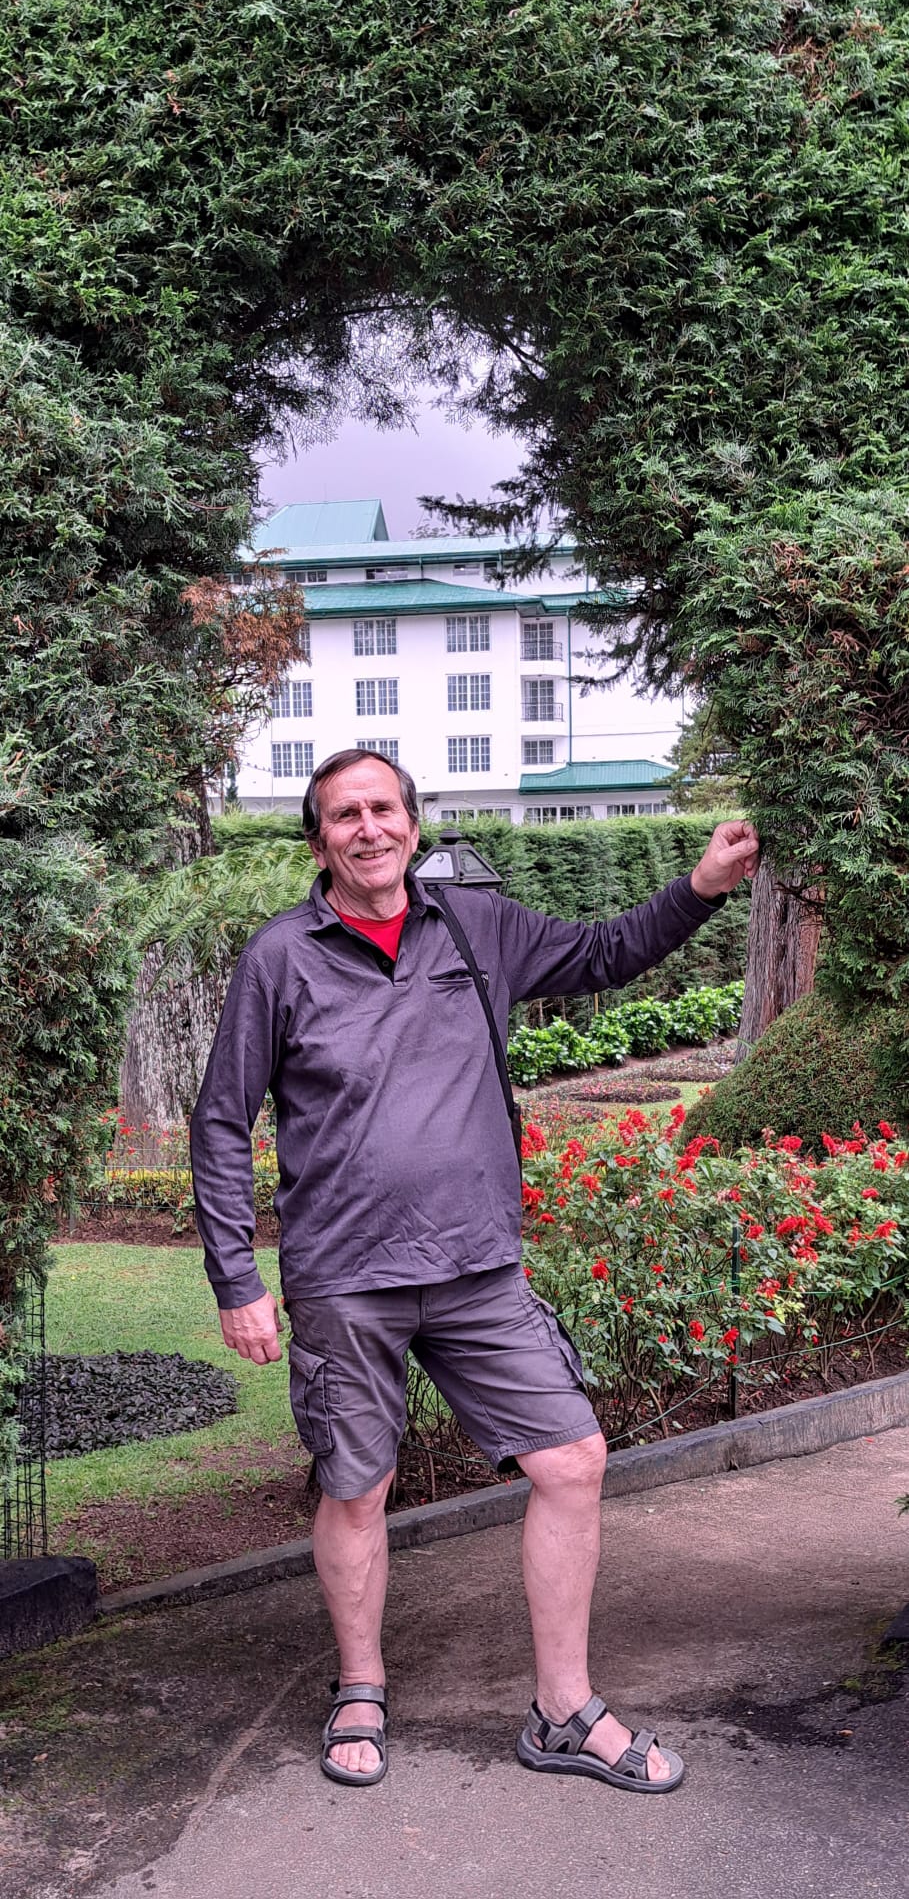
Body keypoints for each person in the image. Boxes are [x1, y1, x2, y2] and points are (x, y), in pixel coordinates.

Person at [190, 748, 759, 1793]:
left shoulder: (475, 924)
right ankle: (359, 1686)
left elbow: (606, 951)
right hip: (344, 1276)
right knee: (357, 1485)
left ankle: (563, 1708)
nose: (368, 828)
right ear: (318, 840)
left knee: (571, 1460)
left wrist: (702, 886)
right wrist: (237, 1279)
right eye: (344, 815)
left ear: (413, 825)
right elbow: (223, 1121)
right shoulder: (279, 956)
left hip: (476, 1267)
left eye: (384, 809)